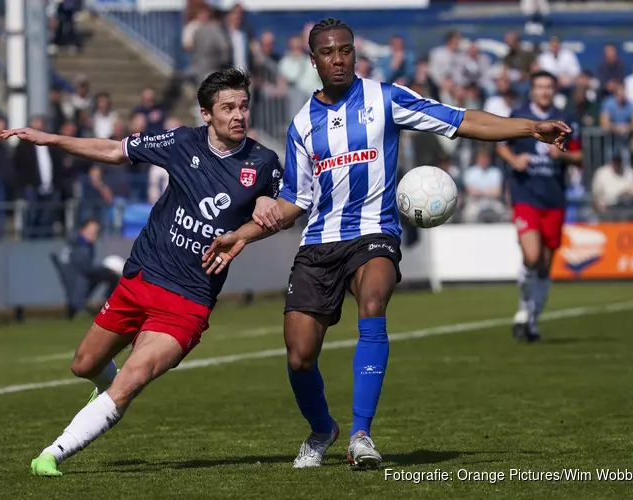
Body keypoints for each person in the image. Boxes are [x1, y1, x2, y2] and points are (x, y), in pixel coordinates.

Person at [202, 18, 572, 470]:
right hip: (320, 242)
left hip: (376, 232)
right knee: (300, 357)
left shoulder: (387, 98)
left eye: (345, 50)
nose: (338, 59)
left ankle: (361, 435)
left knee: (374, 301)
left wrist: (529, 128)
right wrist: (242, 235)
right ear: (312, 60)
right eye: (328, 52)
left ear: (355, 53)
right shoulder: (302, 125)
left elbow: (460, 121)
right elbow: (294, 201)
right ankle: (323, 430)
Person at [1, 68, 284, 477]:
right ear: (206, 114)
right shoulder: (181, 141)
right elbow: (116, 150)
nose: (238, 115)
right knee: (84, 364)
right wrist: (52, 139)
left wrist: (263, 206)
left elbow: (283, 211)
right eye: (227, 108)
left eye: (243, 106)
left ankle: (53, 452)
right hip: (142, 278)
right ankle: (104, 393)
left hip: (189, 300)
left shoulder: (263, 162)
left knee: (133, 377)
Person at [496, 71, 582, 343]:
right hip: (525, 193)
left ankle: (532, 320)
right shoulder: (520, 115)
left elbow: (580, 157)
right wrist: (513, 159)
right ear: (532, 90)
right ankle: (523, 311)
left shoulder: (565, 119)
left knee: (544, 265)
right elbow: (500, 144)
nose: (544, 91)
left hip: (554, 197)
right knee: (531, 255)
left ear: (554, 90)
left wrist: (564, 155)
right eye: (539, 87)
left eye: (548, 86)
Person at [53, 218, 119, 319]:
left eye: (96, 232)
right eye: (91, 231)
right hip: (77, 284)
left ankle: (107, 304)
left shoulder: (82, 244)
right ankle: (84, 309)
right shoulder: (80, 246)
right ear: (82, 231)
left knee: (110, 276)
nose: (93, 234)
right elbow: (86, 268)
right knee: (110, 274)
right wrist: (107, 269)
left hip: (77, 282)